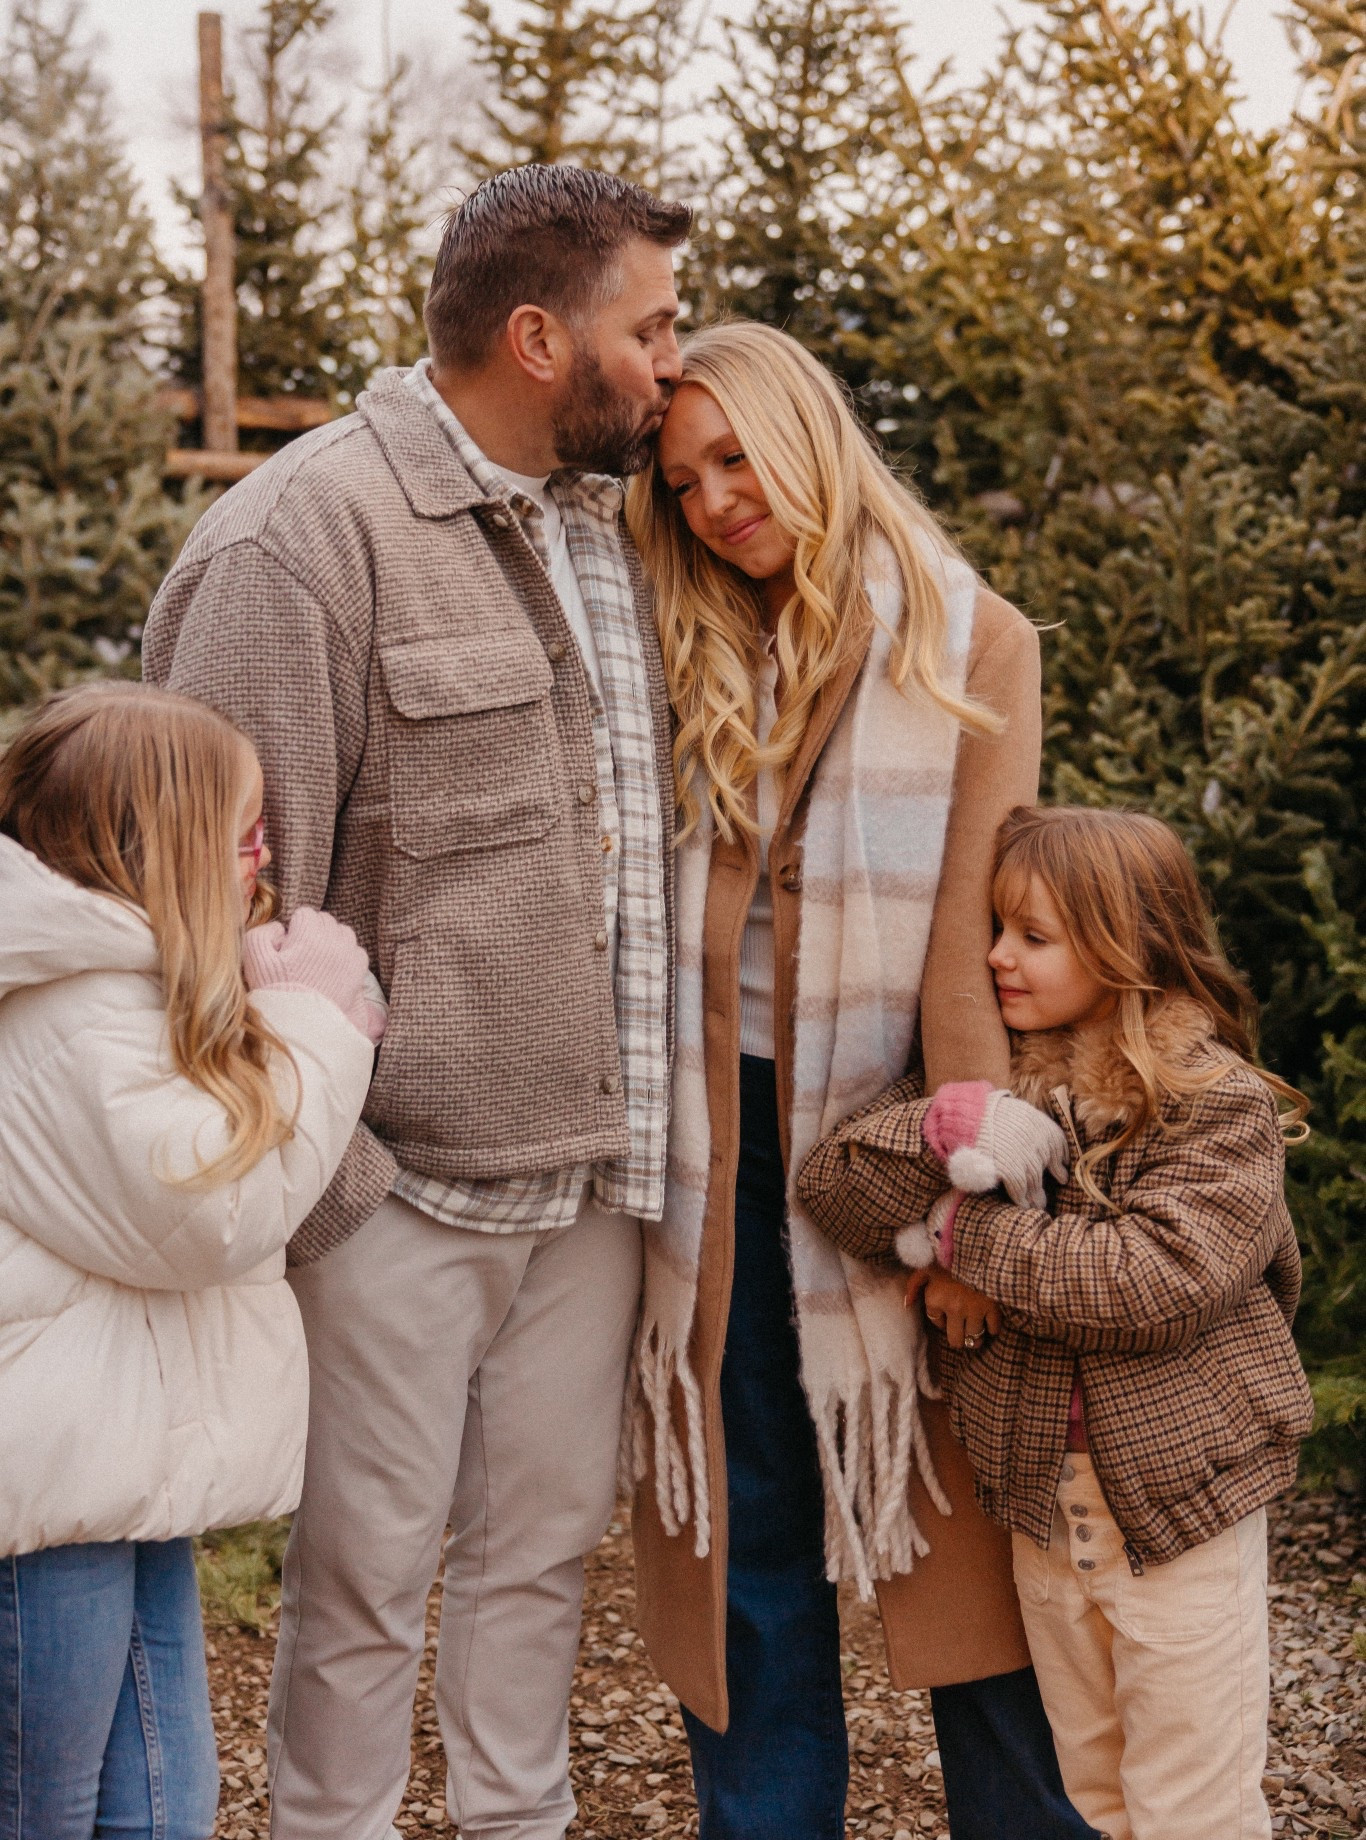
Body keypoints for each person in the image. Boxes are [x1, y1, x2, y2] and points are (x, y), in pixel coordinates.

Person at [142, 162, 689, 1840]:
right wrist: (342, 1181)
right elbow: (215, 901)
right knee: (365, 1583)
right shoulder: (299, 544)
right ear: (539, 338)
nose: (676, 362)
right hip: (397, 1194)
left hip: (594, 1181)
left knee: (535, 1572)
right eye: (649, 327)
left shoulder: (612, 526)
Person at [623, 322, 1098, 1839]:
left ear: (807, 436)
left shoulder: (973, 642)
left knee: (963, 1527)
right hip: (715, 1141)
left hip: (895, 1145)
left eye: (734, 458)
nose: (709, 502)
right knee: (749, 1517)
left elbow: (965, 938)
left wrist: (972, 1212)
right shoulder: (671, 624)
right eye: (681, 478)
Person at [798, 803, 1315, 1840]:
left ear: (1129, 945)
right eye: (996, 927)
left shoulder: (1212, 1101)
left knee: (1192, 1805)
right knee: (1094, 1792)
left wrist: (955, 1234)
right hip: (1047, 1513)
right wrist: (953, 1128)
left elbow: (1151, 1279)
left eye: (1033, 935)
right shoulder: (993, 1084)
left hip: (1182, 1517)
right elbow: (835, 1184)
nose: (995, 955)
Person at [0, 683, 378, 1840]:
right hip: (43, 1494)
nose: (260, 862)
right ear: (151, 842)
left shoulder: (118, 983)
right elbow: (204, 1210)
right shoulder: (68, 1009)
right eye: (245, 833)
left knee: (164, 1804)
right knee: (45, 1806)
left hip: (115, 1467)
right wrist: (316, 1022)